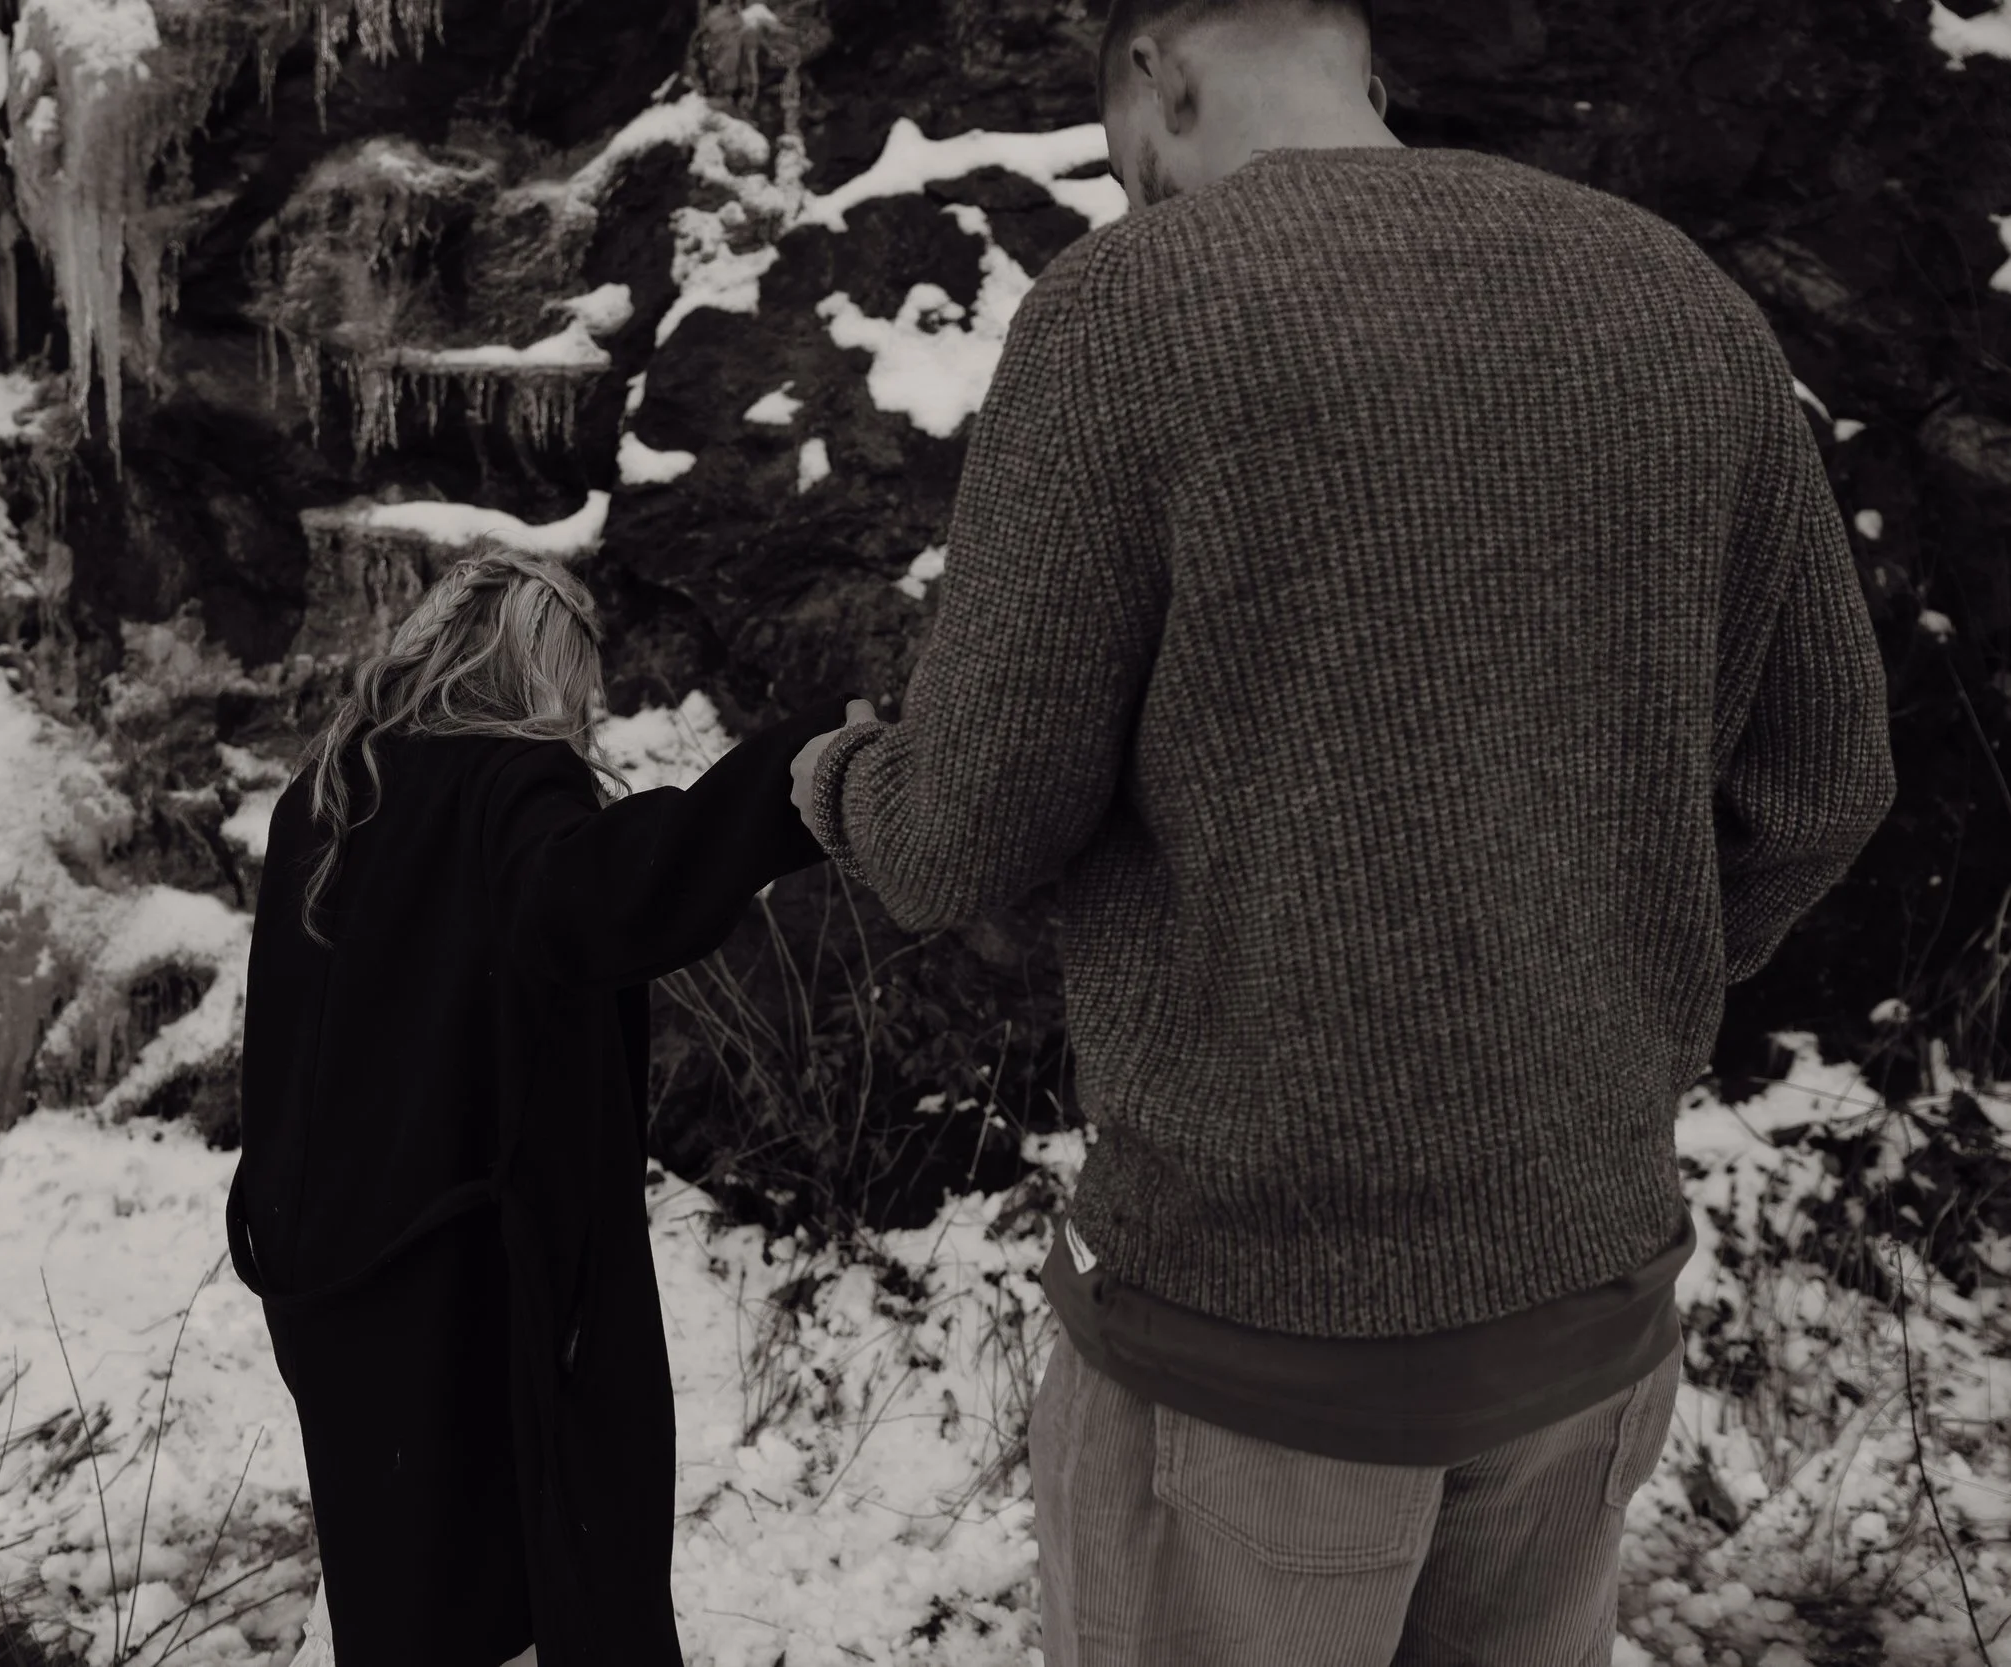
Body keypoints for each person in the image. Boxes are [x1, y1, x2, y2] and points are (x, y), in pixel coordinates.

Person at [789, 0, 1895, 1661]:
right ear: (1366, 76)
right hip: (1584, 1315)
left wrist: (839, 787)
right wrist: (1600, 960)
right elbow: (1830, 779)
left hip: (1247, 1336)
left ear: (1160, 74)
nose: (1144, 189)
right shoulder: (1678, 294)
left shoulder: (1133, 308)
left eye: (1126, 153)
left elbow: (959, 837)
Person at [227, 547, 844, 1667]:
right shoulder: (504, 786)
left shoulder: (321, 797)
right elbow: (604, 899)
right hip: (476, 1287)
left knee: (403, 1595)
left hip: (332, 1280)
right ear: (541, 667)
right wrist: (785, 776)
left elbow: (279, 1048)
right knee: (535, 1589)